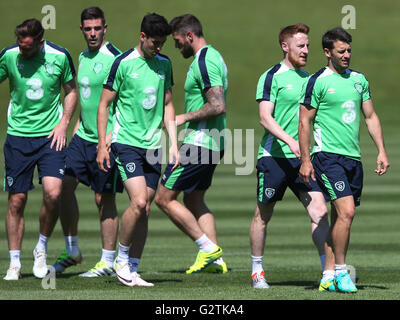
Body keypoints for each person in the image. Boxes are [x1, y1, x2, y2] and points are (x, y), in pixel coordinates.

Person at [298, 27, 390, 293]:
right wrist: (306, 160)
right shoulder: (318, 81)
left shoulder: (359, 80)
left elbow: (370, 117)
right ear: (327, 53)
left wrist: (381, 150)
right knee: (347, 212)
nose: (347, 55)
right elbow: (305, 121)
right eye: (341, 51)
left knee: (342, 217)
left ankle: (328, 275)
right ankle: (340, 272)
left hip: (353, 159)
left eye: (349, 50)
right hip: (327, 157)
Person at [96, 13, 180, 287]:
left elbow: (168, 104)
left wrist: (174, 144)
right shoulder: (122, 64)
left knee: (145, 210)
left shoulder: (164, 64)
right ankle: (120, 259)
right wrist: (101, 143)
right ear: (142, 37)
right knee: (139, 201)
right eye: (155, 42)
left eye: (163, 43)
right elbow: (104, 104)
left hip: (154, 147)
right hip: (127, 143)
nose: (159, 47)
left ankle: (132, 269)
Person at [249, 23, 333, 289]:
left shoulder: (310, 80)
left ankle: (327, 272)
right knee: (263, 214)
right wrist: (289, 141)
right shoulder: (271, 76)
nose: (306, 50)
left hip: (303, 160)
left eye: (308, 45)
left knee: (320, 211)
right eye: (301, 46)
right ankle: (257, 271)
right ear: (285, 46)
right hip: (274, 157)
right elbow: (265, 117)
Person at [0, 19, 77, 280]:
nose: (23, 52)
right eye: (20, 46)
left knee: (54, 194)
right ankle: (14, 263)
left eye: (28, 48)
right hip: (18, 138)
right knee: (17, 200)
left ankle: (41, 249)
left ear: (41, 42)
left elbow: (71, 91)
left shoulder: (60, 56)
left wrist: (64, 123)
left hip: (49, 138)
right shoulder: (9, 56)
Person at [52, 7, 123, 277]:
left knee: (103, 198)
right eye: (88, 29)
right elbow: (87, 99)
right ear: (81, 30)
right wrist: (78, 128)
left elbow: (121, 102)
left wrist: (107, 142)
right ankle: (72, 249)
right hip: (82, 138)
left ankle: (107, 261)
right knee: (61, 187)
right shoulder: (81, 57)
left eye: (97, 28)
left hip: (107, 140)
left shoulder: (116, 60)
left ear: (105, 28)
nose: (92, 33)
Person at [155, 14, 228, 274]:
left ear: (189, 36)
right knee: (194, 198)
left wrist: (183, 117)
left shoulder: (205, 61)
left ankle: (207, 248)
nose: (177, 47)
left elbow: (218, 105)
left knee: (163, 198)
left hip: (201, 143)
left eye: (177, 41)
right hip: (213, 142)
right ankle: (216, 261)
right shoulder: (213, 56)